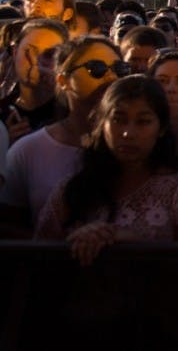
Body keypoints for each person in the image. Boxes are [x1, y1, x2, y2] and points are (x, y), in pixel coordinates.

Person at [35, 75, 178, 264]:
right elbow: (38, 260)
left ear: (161, 128)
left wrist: (132, 244)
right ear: (103, 124)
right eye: (118, 119)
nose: (128, 133)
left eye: (143, 122)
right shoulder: (72, 189)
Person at [0, 36, 128, 233]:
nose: (110, 77)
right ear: (63, 80)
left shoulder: (136, 144)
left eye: (119, 69)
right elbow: (10, 226)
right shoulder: (28, 150)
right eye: (97, 68)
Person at [0, 19, 69, 144]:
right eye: (29, 51)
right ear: (15, 53)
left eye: (49, 55)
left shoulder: (73, 112)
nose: (36, 61)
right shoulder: (3, 111)